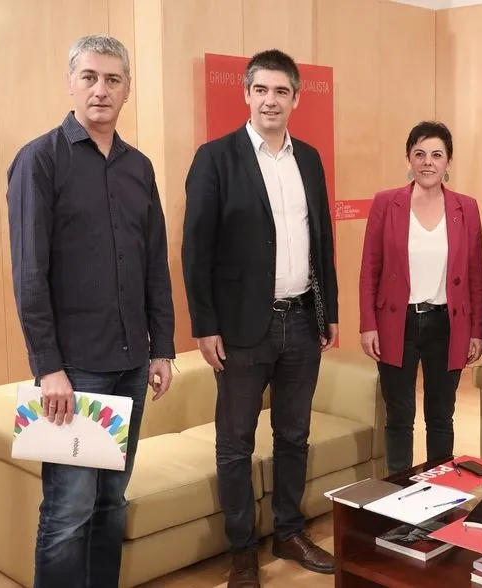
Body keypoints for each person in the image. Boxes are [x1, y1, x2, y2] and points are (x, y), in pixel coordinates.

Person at [5, 34, 175, 588]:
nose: (101, 89)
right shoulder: (39, 160)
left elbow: (154, 264)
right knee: (67, 512)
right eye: (90, 77)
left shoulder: (139, 167)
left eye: (113, 80)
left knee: (111, 502)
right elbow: (30, 275)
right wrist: (48, 367)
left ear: (128, 90)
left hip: (131, 363)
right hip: (74, 371)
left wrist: (163, 348)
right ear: (71, 83)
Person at [182, 49, 338, 587]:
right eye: (261, 90)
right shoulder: (215, 158)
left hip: (302, 320)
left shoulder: (309, 159)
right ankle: (243, 551)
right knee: (236, 443)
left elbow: (322, 239)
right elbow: (196, 249)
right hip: (241, 329)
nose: (271, 100)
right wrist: (204, 324)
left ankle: (289, 532)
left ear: (296, 98)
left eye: (281, 91)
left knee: (294, 435)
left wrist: (329, 309)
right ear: (246, 94)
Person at [359, 121, 482, 475]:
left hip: (447, 324)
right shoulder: (386, 203)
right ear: (409, 159)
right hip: (396, 323)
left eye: (436, 155)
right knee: (399, 415)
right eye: (420, 154)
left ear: (448, 162)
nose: (428, 162)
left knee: (441, 416)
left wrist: (477, 331)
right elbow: (370, 268)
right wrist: (368, 324)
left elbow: (476, 275)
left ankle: (440, 491)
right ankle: (398, 491)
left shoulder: (466, 207)